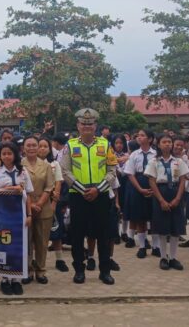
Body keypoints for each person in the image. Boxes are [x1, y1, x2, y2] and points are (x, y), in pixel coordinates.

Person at [58, 108, 119, 286]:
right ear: (78, 126)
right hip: (78, 195)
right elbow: (64, 170)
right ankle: (79, 270)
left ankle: (105, 271)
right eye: (83, 124)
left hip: (101, 195)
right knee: (78, 234)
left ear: (95, 126)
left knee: (103, 234)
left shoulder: (105, 145)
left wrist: (97, 189)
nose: (87, 127)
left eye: (90, 124)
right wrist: (82, 189)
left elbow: (112, 170)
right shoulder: (70, 145)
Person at [0, 141, 33, 295]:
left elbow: (28, 194)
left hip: (20, 215)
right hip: (3, 215)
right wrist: (11, 188)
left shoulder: (23, 171)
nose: (7, 156)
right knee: (5, 246)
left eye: (9, 153)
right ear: (0, 156)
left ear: (15, 155)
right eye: (4, 154)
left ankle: (16, 279)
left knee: (18, 247)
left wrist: (29, 214)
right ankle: (5, 279)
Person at [145, 134, 189, 271]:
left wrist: (178, 199)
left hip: (175, 192)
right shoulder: (154, 161)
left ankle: (173, 258)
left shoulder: (178, 161)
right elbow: (152, 182)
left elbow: (183, 180)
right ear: (158, 144)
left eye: (169, 142)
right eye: (164, 142)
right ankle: (163, 257)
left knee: (175, 228)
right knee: (162, 228)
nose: (167, 144)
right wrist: (161, 200)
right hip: (161, 192)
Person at [21, 136, 55, 284]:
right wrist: (31, 206)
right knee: (26, 241)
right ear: (23, 148)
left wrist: (39, 204)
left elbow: (49, 187)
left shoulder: (46, 165)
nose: (31, 148)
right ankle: (27, 270)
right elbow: (20, 187)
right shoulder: (19, 165)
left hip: (43, 208)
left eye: (34, 145)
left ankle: (41, 270)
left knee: (42, 242)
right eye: (28, 145)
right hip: (24, 209)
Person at [123, 129, 157, 259]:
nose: (139, 137)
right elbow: (130, 174)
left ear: (150, 139)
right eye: (138, 135)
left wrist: (154, 188)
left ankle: (156, 247)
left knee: (154, 218)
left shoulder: (155, 154)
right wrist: (140, 189)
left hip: (153, 184)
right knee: (140, 218)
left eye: (142, 135)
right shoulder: (134, 155)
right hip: (138, 185)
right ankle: (142, 246)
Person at [39, 136, 69, 273]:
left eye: (45, 146)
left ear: (50, 149)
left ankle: (60, 260)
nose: (42, 149)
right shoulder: (28, 164)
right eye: (40, 146)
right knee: (37, 234)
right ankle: (36, 262)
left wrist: (55, 202)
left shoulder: (54, 164)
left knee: (56, 232)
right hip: (36, 201)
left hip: (51, 202)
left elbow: (58, 182)